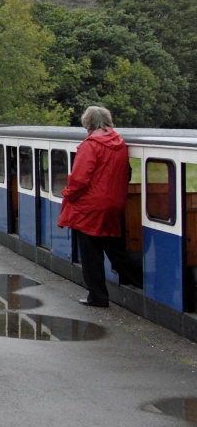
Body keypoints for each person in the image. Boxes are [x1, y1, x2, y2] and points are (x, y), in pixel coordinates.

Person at [57, 105, 142, 307]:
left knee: (91, 255)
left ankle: (97, 297)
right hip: (114, 205)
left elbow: (79, 180)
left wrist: (67, 194)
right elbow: (127, 174)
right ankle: (142, 283)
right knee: (116, 250)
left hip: (90, 208)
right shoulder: (120, 144)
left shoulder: (91, 145)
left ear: (88, 123)